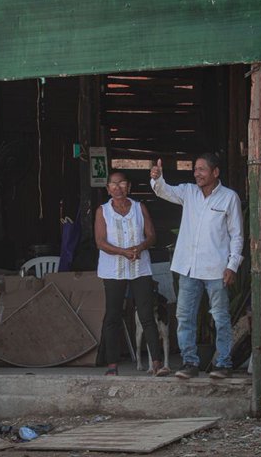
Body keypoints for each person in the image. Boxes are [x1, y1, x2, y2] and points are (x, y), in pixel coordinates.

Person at [149, 153, 243, 380]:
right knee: (184, 317)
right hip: (188, 268)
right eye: (195, 169)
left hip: (216, 269)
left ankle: (223, 363)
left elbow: (237, 235)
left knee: (220, 317)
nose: (197, 173)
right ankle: (190, 362)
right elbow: (164, 191)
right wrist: (157, 178)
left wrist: (232, 266)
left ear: (215, 172)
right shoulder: (189, 192)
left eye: (202, 169)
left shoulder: (229, 198)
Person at [95, 170, 168, 376]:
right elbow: (100, 241)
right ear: (108, 188)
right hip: (113, 270)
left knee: (146, 315)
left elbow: (152, 235)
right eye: (113, 184)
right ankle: (112, 366)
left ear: (129, 186)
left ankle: (156, 362)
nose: (118, 188)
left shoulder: (139, 207)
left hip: (140, 267)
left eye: (122, 183)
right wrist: (123, 252)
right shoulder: (103, 211)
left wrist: (140, 247)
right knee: (113, 316)